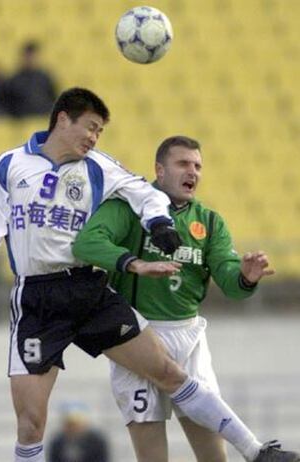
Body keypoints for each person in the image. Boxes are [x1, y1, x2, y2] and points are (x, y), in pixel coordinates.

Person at [0, 87, 186, 462]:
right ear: (62, 119)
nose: (93, 137)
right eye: (90, 127)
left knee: (171, 373)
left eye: (99, 132)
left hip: (87, 287)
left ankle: (250, 449)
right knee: (29, 426)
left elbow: (143, 192)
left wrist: (159, 223)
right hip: (35, 298)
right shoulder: (9, 166)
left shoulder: (97, 166)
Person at [73, 135, 300, 462]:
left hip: (189, 336)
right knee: (152, 455)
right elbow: (86, 245)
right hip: (138, 335)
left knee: (212, 455)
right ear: (159, 170)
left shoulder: (209, 222)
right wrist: (134, 263)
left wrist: (245, 276)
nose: (192, 171)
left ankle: (255, 452)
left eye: (197, 166)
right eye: (183, 164)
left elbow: (230, 281)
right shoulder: (128, 206)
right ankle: (256, 452)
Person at [3, 41, 57, 118]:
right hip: (22, 120)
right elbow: (9, 104)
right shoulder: (14, 80)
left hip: (42, 118)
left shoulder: (45, 78)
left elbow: (53, 99)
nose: (30, 59)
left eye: (32, 56)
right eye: (27, 56)